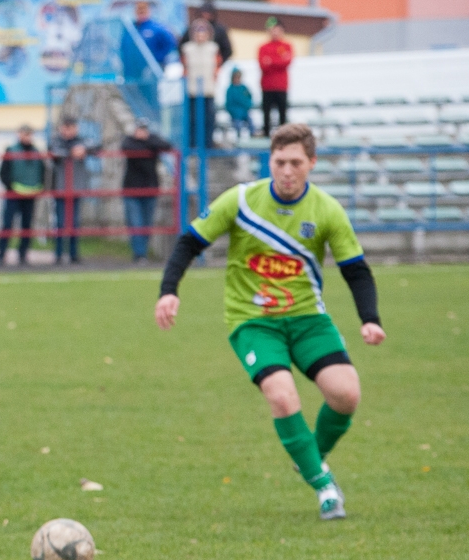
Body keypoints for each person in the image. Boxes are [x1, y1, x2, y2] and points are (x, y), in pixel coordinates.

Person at [154, 123, 383, 521]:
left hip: (308, 318)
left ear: (312, 163)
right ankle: (324, 486)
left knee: (346, 394)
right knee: (282, 396)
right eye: (279, 162)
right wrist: (169, 290)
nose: (287, 171)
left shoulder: (327, 210)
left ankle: (309, 458)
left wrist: (369, 318)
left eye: (296, 163)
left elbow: (356, 270)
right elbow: (189, 242)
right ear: (270, 161)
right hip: (254, 320)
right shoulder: (241, 200)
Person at [120, 120, 172, 263]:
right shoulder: (129, 141)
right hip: (132, 190)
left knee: (147, 224)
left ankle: (142, 253)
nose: (141, 132)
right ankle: (139, 254)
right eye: (139, 129)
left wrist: (147, 141)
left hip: (150, 189)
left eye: (144, 129)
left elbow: (167, 145)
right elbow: (126, 147)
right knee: (136, 224)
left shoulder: (152, 140)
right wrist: (147, 146)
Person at [48, 117, 96, 264]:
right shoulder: (56, 141)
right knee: (61, 223)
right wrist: (72, 151)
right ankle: (58, 254)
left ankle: (74, 255)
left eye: (71, 127)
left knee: (74, 223)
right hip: (61, 189)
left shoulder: (82, 141)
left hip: (76, 188)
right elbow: (54, 151)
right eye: (66, 127)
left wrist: (83, 149)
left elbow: (96, 146)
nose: (68, 130)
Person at [0, 123, 45, 266]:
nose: (27, 137)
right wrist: (11, 187)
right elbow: (3, 173)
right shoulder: (11, 150)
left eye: (29, 134)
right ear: (19, 134)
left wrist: (39, 187)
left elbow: (41, 172)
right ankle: (1, 254)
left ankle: (23, 255)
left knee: (27, 226)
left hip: (30, 195)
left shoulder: (36, 152)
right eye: (24, 133)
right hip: (13, 195)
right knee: (7, 224)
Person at [181, 20, 220, 149]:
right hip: (192, 89)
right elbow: (185, 67)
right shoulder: (188, 49)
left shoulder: (213, 48)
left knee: (208, 118)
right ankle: (192, 143)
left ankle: (207, 143)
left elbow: (216, 67)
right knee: (192, 119)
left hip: (208, 89)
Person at [258, 18, 293, 137]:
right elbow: (263, 65)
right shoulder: (263, 47)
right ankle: (266, 138)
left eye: (277, 30)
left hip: (281, 86)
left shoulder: (286, 46)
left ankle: (283, 138)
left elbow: (286, 62)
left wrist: (271, 61)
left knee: (282, 115)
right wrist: (277, 61)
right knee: (266, 115)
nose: (275, 33)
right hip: (267, 86)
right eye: (272, 30)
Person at [132, 0, 178, 67]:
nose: (141, 11)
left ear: (149, 10)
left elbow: (171, 44)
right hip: (134, 69)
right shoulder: (131, 29)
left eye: (143, 8)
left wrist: (157, 59)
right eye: (138, 8)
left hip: (152, 68)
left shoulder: (158, 28)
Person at [199, 0, 234, 67]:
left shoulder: (220, 30)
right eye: (204, 12)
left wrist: (218, 64)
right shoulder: (194, 27)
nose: (206, 15)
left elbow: (227, 50)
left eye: (208, 13)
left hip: (214, 65)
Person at [224, 69, 254, 142]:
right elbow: (229, 104)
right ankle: (238, 140)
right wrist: (234, 112)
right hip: (235, 114)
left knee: (251, 123)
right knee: (237, 125)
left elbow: (249, 98)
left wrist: (247, 107)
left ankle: (252, 139)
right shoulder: (230, 90)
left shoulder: (244, 88)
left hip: (244, 112)